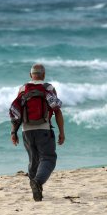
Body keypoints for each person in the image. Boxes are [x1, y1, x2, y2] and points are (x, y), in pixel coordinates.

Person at [9, 63, 65, 201]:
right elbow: (57, 110)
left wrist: (13, 132)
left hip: (26, 130)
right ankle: (38, 182)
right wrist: (62, 132)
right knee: (48, 158)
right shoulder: (48, 88)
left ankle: (37, 192)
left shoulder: (23, 89)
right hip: (44, 129)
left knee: (33, 161)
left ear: (30, 75)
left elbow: (17, 113)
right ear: (44, 75)